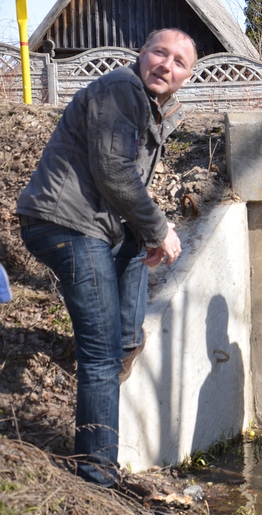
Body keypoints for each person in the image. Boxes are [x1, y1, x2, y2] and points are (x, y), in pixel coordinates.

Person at [15, 28, 196, 487]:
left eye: (179, 62)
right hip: (65, 224)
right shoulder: (121, 90)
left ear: (186, 76)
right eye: (160, 53)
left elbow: (125, 185)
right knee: (98, 353)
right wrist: (160, 228)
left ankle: (127, 342)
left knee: (139, 246)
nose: (166, 65)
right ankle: (97, 471)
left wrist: (152, 233)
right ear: (142, 54)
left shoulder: (149, 105)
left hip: (92, 226)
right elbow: (114, 171)